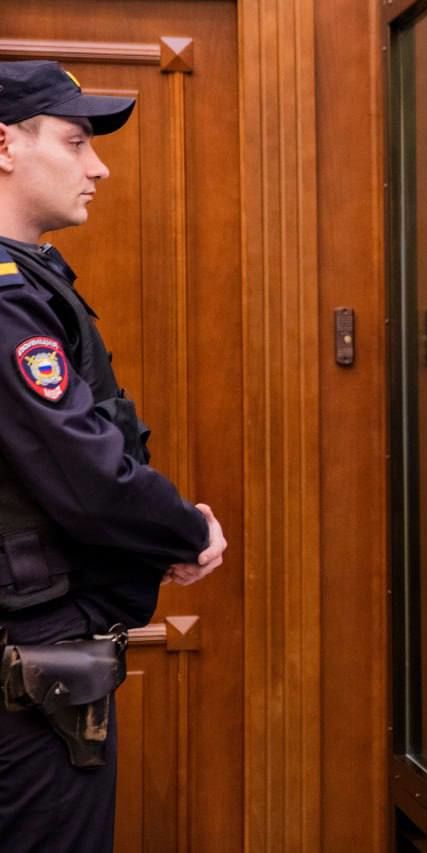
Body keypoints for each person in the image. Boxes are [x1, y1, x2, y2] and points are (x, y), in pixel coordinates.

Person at [0, 60, 227, 852]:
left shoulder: (25, 279)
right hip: (30, 661)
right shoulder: (6, 300)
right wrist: (185, 531)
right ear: (4, 145)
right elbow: (85, 472)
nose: (97, 167)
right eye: (75, 142)